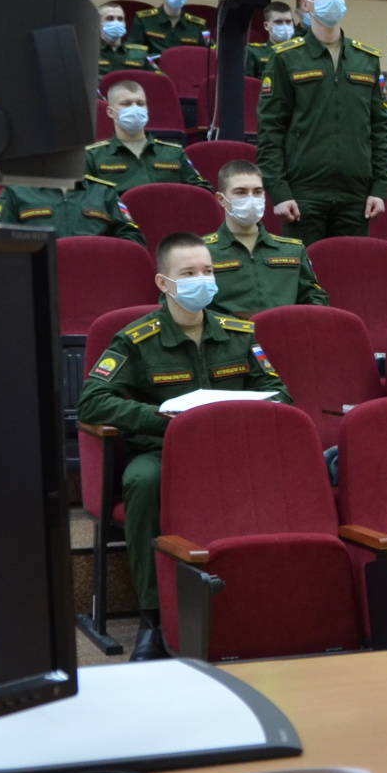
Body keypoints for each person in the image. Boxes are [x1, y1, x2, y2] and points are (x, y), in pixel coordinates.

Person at [76, 234, 287, 619]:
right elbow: (92, 401)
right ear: (164, 282)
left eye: (207, 271)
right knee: (142, 482)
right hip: (163, 451)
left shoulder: (239, 333)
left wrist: (240, 414)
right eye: (188, 274)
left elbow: (279, 394)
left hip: (231, 448)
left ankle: (264, 601)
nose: (201, 280)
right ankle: (153, 616)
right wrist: (160, 418)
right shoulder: (137, 340)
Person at [257, 0, 387, 242]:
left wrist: (380, 188)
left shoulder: (366, 59)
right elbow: (270, 131)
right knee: (306, 268)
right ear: (305, 5)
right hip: (303, 193)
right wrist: (279, 192)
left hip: (357, 194)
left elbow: (380, 128)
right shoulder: (286, 58)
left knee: (350, 268)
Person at [203, 160, 326, 318]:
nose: (251, 199)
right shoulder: (202, 251)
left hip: (283, 329)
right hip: (227, 332)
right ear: (221, 199)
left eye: (257, 192)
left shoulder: (292, 250)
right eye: (240, 192)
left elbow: (315, 297)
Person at [87, 77, 206, 193]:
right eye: (126, 104)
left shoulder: (174, 153)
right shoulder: (92, 156)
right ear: (110, 112)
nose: (135, 109)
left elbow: (202, 190)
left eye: (140, 104)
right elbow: (84, 198)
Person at [0, 174, 133, 238]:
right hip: (37, 276)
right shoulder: (16, 191)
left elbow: (132, 237)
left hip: (95, 275)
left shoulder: (104, 192)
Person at [127, 0, 208, 56]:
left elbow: (209, 53)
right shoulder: (144, 20)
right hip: (154, 64)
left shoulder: (198, 25)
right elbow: (133, 51)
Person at [244, 0, 298, 87]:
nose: (284, 26)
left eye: (288, 21)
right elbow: (249, 86)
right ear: (266, 26)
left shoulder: (302, 51)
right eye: (278, 22)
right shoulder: (253, 52)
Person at [97, 3, 152, 74]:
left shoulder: (140, 54)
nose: (116, 22)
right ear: (98, 23)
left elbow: (157, 77)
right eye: (110, 18)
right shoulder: (88, 53)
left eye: (120, 19)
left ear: (125, 24)